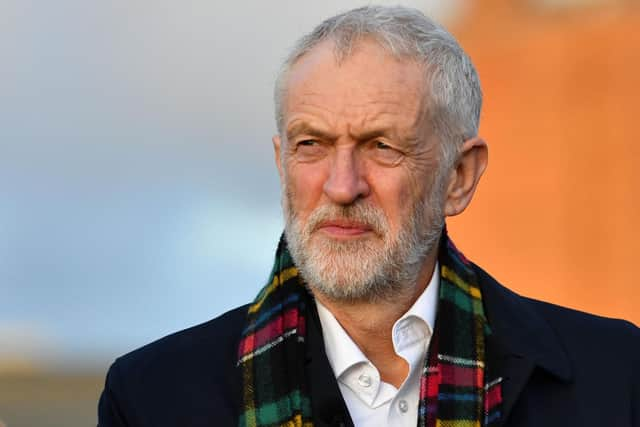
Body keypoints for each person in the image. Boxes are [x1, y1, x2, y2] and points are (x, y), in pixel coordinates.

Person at [97, 6, 639, 427]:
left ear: (459, 176)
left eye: (381, 146)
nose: (341, 185)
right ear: (282, 161)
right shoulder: (152, 396)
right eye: (312, 144)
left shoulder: (616, 377)